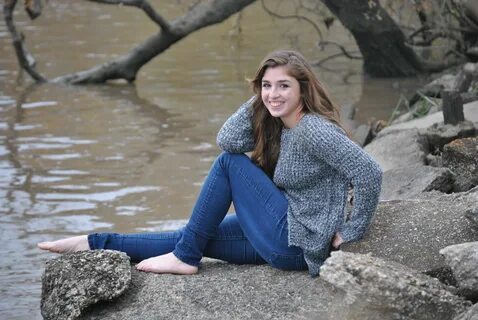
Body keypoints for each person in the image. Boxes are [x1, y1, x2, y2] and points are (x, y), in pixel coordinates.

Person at [38, 50, 382, 277]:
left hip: (294, 240)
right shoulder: (280, 123)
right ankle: (94, 243)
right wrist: (265, 100)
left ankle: (185, 257)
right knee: (190, 234)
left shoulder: (313, 129)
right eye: (266, 85)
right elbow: (229, 137)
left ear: (303, 89)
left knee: (228, 165)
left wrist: (352, 232)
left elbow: (369, 172)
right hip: (284, 239)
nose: (273, 93)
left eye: (283, 86)